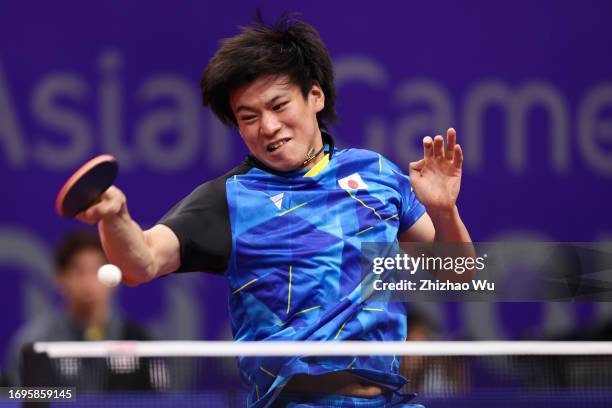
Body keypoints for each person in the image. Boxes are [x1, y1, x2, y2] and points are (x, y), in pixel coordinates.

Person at [75, 15, 473, 407]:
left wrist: (443, 212)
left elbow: (459, 278)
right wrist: (116, 217)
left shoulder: (376, 174)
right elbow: (140, 262)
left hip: (391, 401)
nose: (267, 126)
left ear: (314, 96)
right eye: (248, 117)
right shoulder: (229, 200)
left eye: (278, 105)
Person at [5, 230, 153, 390]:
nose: (88, 283)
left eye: (97, 270)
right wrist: (67, 398)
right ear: (60, 279)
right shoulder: (35, 342)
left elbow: (157, 401)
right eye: (79, 272)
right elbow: (16, 396)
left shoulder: (139, 340)